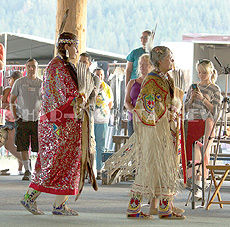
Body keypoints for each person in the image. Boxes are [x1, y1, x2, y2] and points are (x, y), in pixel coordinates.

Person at [20, 32, 97, 216]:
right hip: (56, 125)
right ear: (66, 45)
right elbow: (59, 95)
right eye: (75, 45)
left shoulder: (66, 65)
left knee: (70, 163)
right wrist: (78, 97)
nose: (77, 49)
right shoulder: (56, 66)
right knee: (53, 163)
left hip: (68, 123)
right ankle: (29, 197)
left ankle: (59, 205)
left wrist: (82, 97)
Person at [126, 46, 185, 219]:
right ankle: (141, 208)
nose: (172, 61)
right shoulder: (152, 80)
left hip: (166, 130)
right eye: (169, 58)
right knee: (152, 166)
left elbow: (169, 100)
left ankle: (159, 208)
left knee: (164, 167)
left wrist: (174, 107)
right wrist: (167, 111)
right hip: (156, 132)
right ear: (160, 61)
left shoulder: (166, 78)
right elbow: (145, 105)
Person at [184, 59, 221, 199]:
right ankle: (195, 185)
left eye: (204, 72)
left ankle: (199, 185)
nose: (201, 75)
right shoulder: (192, 87)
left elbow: (217, 112)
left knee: (201, 153)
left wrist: (204, 99)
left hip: (206, 124)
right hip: (192, 121)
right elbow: (185, 108)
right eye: (199, 72)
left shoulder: (215, 89)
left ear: (210, 72)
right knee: (191, 154)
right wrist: (192, 99)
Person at [10, 59, 42, 181]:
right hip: (22, 119)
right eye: (29, 66)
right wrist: (16, 117)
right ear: (25, 67)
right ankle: (27, 170)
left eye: (33, 66)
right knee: (23, 146)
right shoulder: (19, 82)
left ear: (37, 67)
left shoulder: (41, 83)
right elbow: (12, 100)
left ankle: (38, 171)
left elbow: (46, 102)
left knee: (38, 148)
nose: (31, 68)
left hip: (37, 120)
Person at [125, 54, 153, 136]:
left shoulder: (154, 83)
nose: (141, 66)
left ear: (151, 66)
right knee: (133, 145)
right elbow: (127, 102)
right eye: (140, 64)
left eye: (145, 64)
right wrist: (134, 112)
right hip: (133, 119)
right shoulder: (132, 82)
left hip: (149, 120)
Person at [2, 71, 23, 174]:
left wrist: (10, 106)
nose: (9, 81)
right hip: (7, 120)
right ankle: (24, 162)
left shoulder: (22, 91)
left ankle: (23, 164)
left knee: (11, 145)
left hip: (17, 120)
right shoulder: (7, 90)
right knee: (8, 145)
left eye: (10, 79)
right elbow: (2, 104)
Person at [94, 67, 113, 180]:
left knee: (100, 145)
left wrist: (104, 113)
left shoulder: (107, 88)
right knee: (91, 145)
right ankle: (89, 170)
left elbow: (110, 103)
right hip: (92, 119)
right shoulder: (91, 86)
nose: (99, 77)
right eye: (97, 74)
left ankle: (99, 169)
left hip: (102, 120)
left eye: (101, 75)